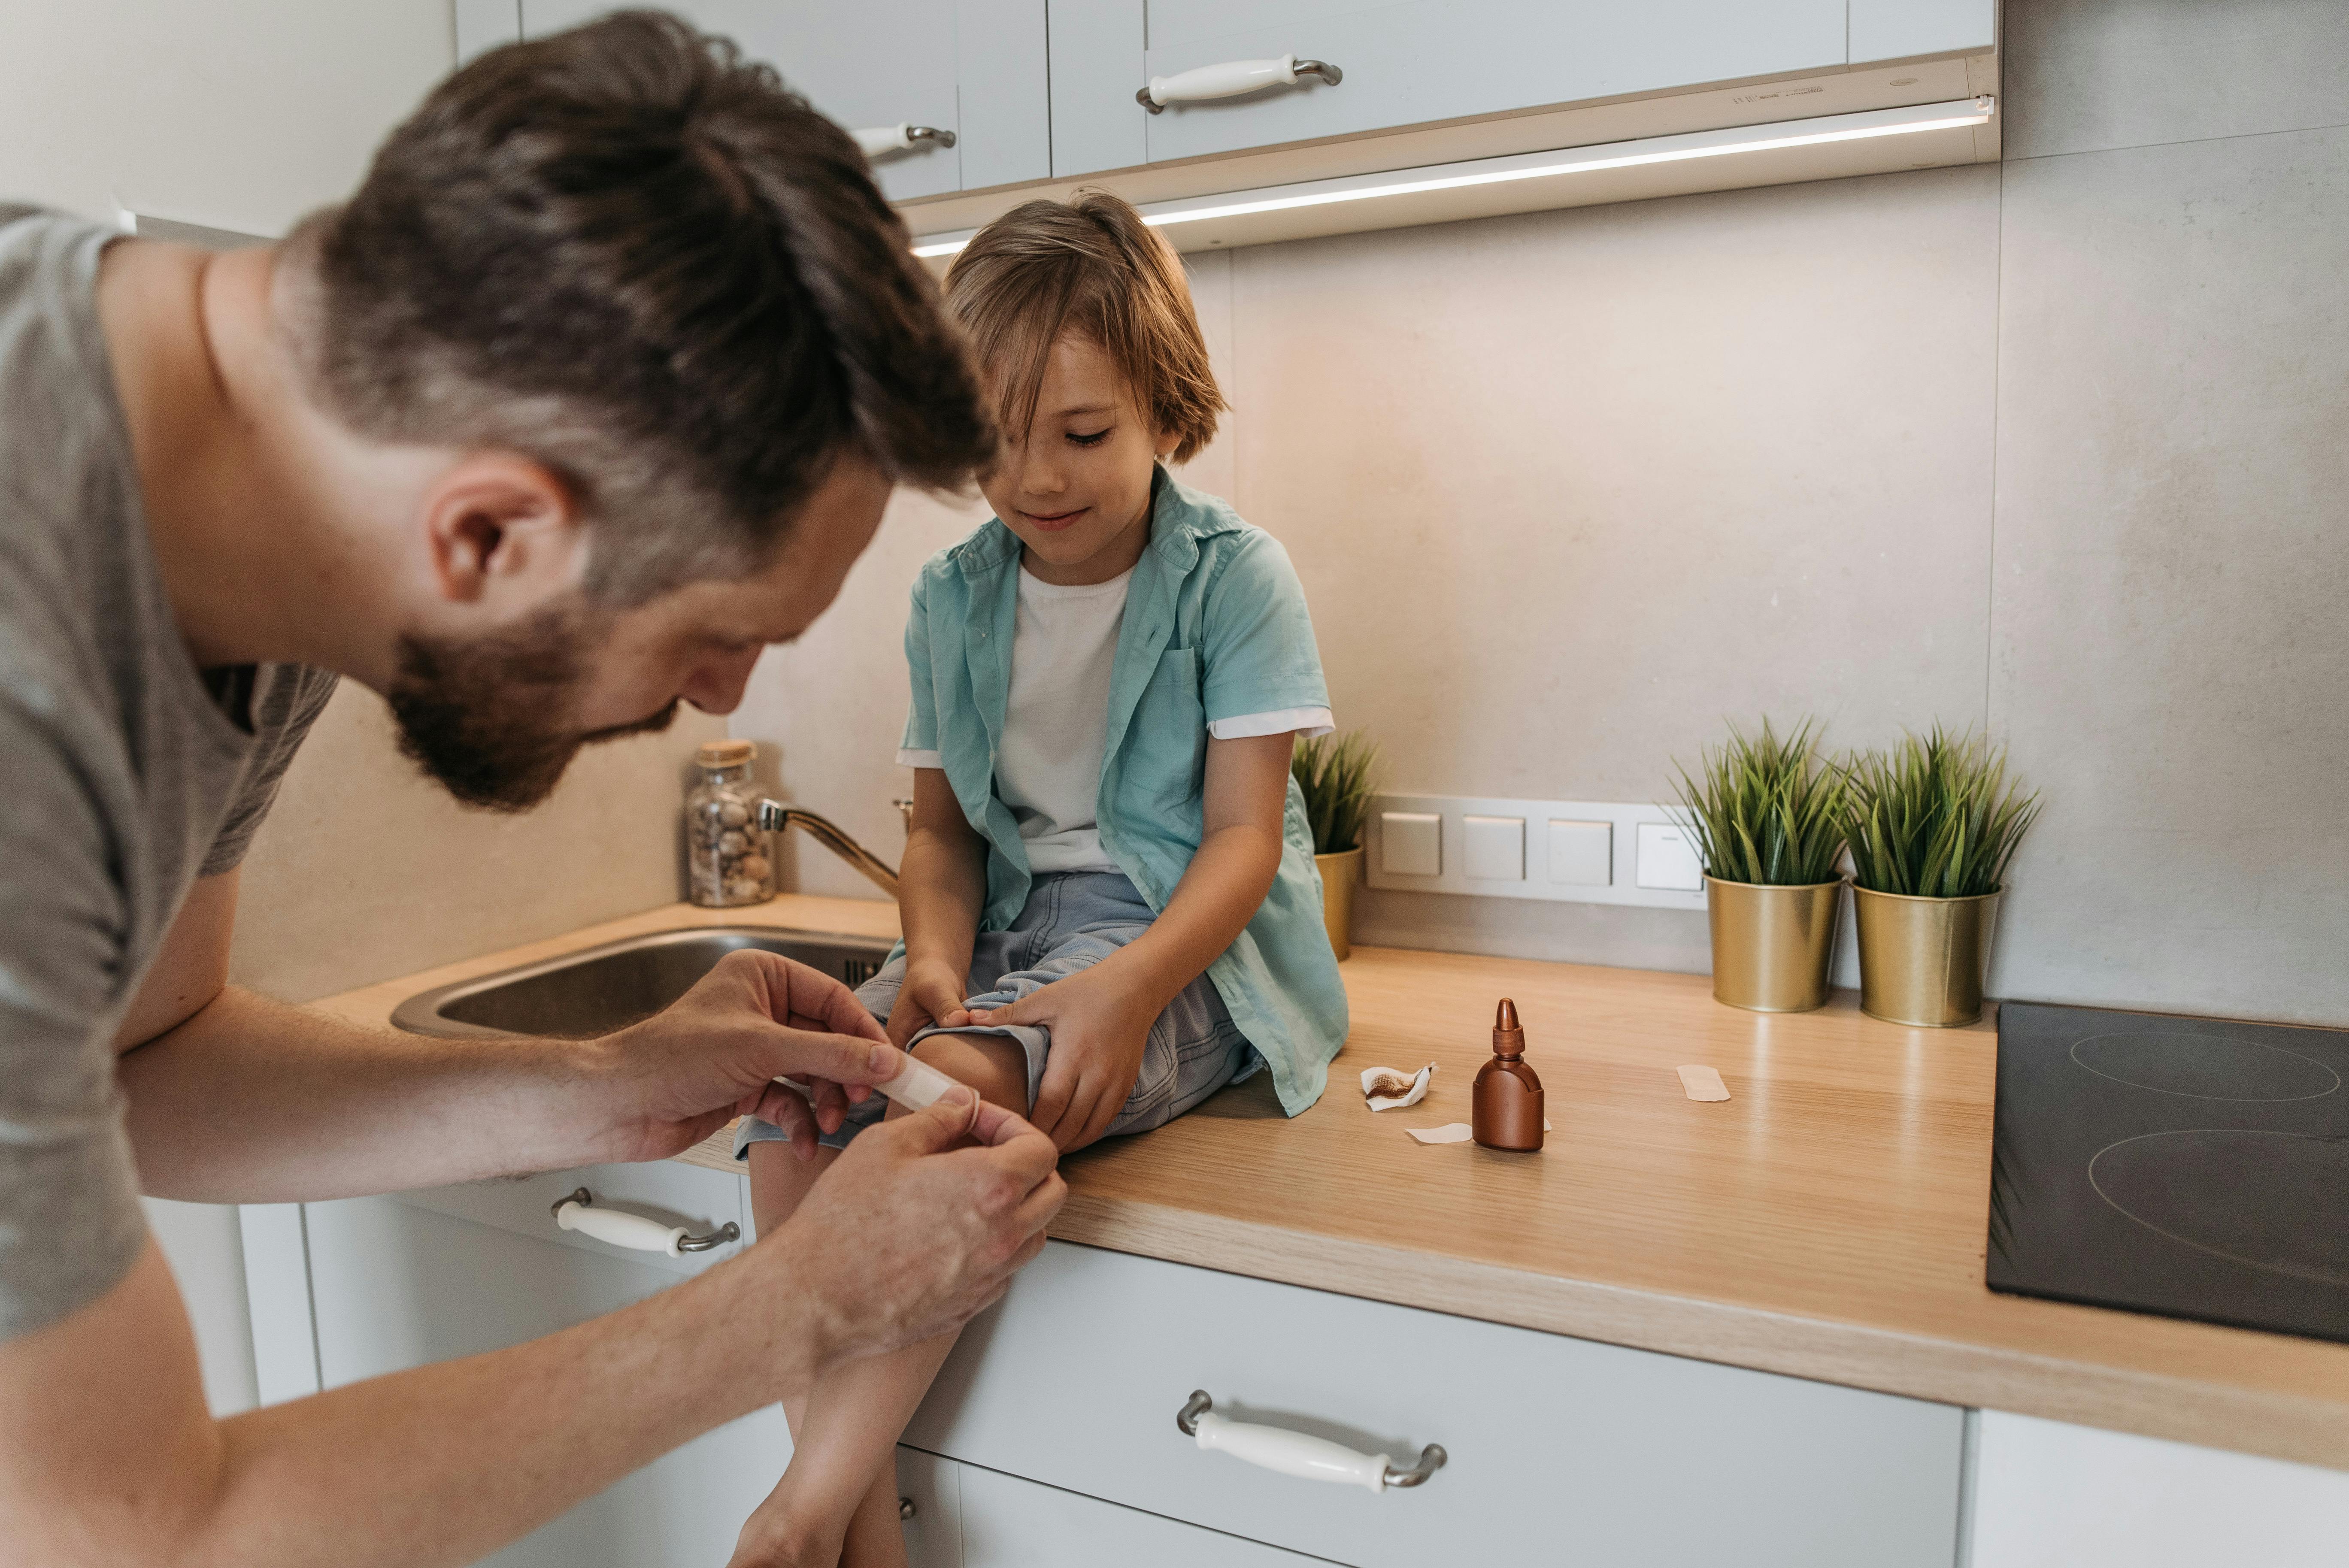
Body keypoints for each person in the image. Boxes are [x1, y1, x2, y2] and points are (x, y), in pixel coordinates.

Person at [0, 16, 1065, 1568]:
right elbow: (134, 1535)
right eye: (717, 637)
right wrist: (804, 1304)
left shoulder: (260, 524)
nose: (721, 701)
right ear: (489, 539)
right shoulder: (30, 680)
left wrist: (586, 1085)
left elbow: (149, 1064)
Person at [723, 192, 1351, 1568]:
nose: (1036, 479)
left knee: (941, 1103)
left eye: (1081, 435)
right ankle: (854, 1506)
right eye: (996, 441)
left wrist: (1125, 993)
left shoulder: (1233, 579)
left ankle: (794, 1518)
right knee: (799, 1103)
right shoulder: (950, 598)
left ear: (1167, 413)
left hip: (1176, 942)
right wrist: (935, 963)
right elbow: (942, 836)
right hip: (1005, 931)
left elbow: (1245, 840)